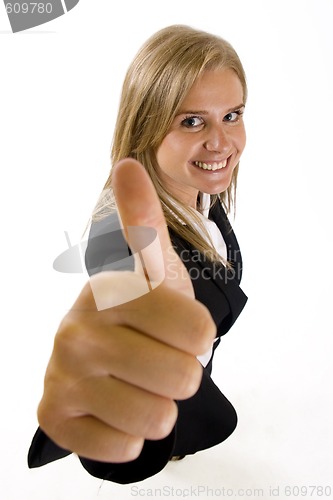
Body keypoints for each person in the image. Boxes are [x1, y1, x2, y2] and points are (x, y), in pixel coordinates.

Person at [28, 24, 248, 484]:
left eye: (232, 115)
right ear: (146, 124)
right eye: (192, 121)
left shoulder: (201, 193)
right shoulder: (121, 245)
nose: (221, 142)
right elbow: (120, 370)